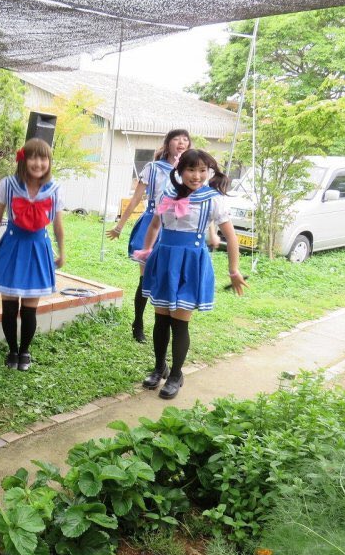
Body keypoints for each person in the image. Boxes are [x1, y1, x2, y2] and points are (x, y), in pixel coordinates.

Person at [135, 149, 248, 399]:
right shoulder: (167, 193)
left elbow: (231, 237)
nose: (196, 175)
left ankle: (176, 375)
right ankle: (159, 367)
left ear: (208, 172)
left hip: (190, 264)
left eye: (202, 170)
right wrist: (146, 250)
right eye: (191, 169)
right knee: (161, 320)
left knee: (179, 321)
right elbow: (154, 225)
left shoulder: (212, 199)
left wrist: (234, 270)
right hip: (164, 260)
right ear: (180, 171)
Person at [0, 138, 65, 372]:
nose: (38, 163)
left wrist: (62, 251)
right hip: (11, 246)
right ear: (23, 160)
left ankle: (25, 351)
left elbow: (58, 225)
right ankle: (12, 350)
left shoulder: (55, 189)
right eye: (33, 157)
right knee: (9, 307)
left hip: (38, 249)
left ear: (49, 162)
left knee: (29, 308)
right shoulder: (8, 185)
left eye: (43, 158)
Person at [106, 129, 190, 343]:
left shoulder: (190, 171)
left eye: (185, 140)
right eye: (176, 139)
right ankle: (138, 323)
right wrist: (119, 226)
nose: (181, 142)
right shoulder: (152, 169)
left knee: (168, 277)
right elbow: (135, 199)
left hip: (175, 228)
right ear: (168, 143)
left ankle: (164, 325)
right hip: (151, 224)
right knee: (145, 279)